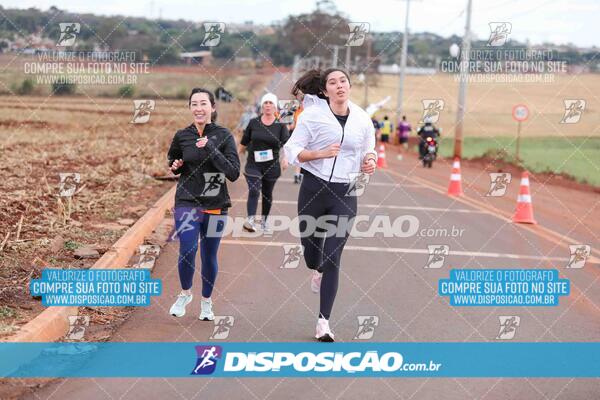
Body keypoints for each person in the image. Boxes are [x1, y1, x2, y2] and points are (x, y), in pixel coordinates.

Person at [284, 68, 377, 342]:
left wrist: (369, 161)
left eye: (343, 81)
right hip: (314, 188)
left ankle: (323, 322)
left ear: (349, 86)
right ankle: (317, 269)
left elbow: (368, 148)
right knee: (313, 255)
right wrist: (318, 153)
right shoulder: (312, 117)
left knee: (333, 254)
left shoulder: (362, 119)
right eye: (332, 82)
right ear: (324, 91)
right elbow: (292, 150)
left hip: (346, 191)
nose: (339, 86)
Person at [167, 88, 240, 320]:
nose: (198, 108)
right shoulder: (182, 135)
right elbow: (173, 159)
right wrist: (175, 164)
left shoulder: (224, 135)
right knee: (187, 249)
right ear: (190, 108)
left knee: (209, 255)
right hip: (187, 200)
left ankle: (206, 302)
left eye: (203, 104)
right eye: (194, 104)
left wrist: (209, 146)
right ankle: (185, 293)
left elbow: (233, 172)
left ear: (212, 107)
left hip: (215, 200)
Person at [238, 93, 290, 234]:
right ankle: (250, 220)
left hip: (271, 165)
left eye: (270, 103)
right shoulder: (254, 123)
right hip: (253, 164)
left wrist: (286, 158)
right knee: (254, 190)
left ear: (275, 107)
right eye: (265, 103)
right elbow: (244, 142)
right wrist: (235, 158)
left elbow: (287, 145)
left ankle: (265, 220)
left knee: (267, 193)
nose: (268, 105)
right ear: (262, 106)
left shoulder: (280, 125)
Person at [288, 90, 305, 184]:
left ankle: (299, 174)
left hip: (308, 136)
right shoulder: (294, 108)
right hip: (297, 135)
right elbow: (291, 124)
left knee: (304, 156)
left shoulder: (309, 109)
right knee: (299, 155)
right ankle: (297, 174)